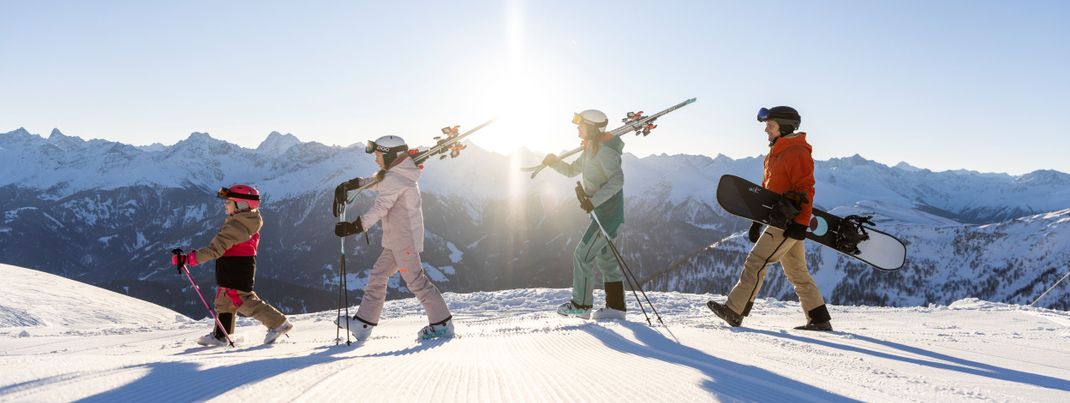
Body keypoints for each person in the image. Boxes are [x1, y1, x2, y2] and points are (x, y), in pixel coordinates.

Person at [707, 106, 833, 331]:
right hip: (777, 219)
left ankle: (734, 310)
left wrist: (800, 224)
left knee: (756, 261)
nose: (766, 130)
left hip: (788, 221)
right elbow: (768, 190)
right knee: (797, 272)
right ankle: (819, 319)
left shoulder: (797, 152)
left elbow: (806, 189)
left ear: (784, 127)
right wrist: (757, 220)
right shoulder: (776, 152)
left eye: (770, 126)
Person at [334, 135, 455, 341]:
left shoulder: (395, 178)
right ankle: (363, 323)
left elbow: (380, 207)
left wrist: (354, 226)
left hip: (403, 242)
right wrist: (352, 184)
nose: (376, 159)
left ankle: (442, 325)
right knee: (378, 275)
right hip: (398, 241)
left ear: (390, 156)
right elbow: (378, 181)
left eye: (378, 155)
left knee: (416, 281)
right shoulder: (397, 174)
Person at [171, 184, 293, 346]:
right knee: (224, 301)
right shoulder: (243, 222)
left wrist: (188, 259)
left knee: (241, 300)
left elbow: (215, 249)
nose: (225, 204)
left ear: (241, 205)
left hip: (236, 269)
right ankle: (221, 336)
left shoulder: (236, 227)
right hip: (234, 267)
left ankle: (278, 323)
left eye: (228, 202)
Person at [542, 109, 627, 320]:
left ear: (591, 128)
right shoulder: (590, 149)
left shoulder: (605, 151)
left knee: (582, 255)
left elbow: (617, 180)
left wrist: (593, 201)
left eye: (581, 126)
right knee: (607, 261)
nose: (578, 130)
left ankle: (581, 305)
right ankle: (616, 309)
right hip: (603, 213)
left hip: (606, 215)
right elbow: (572, 170)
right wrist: (554, 163)